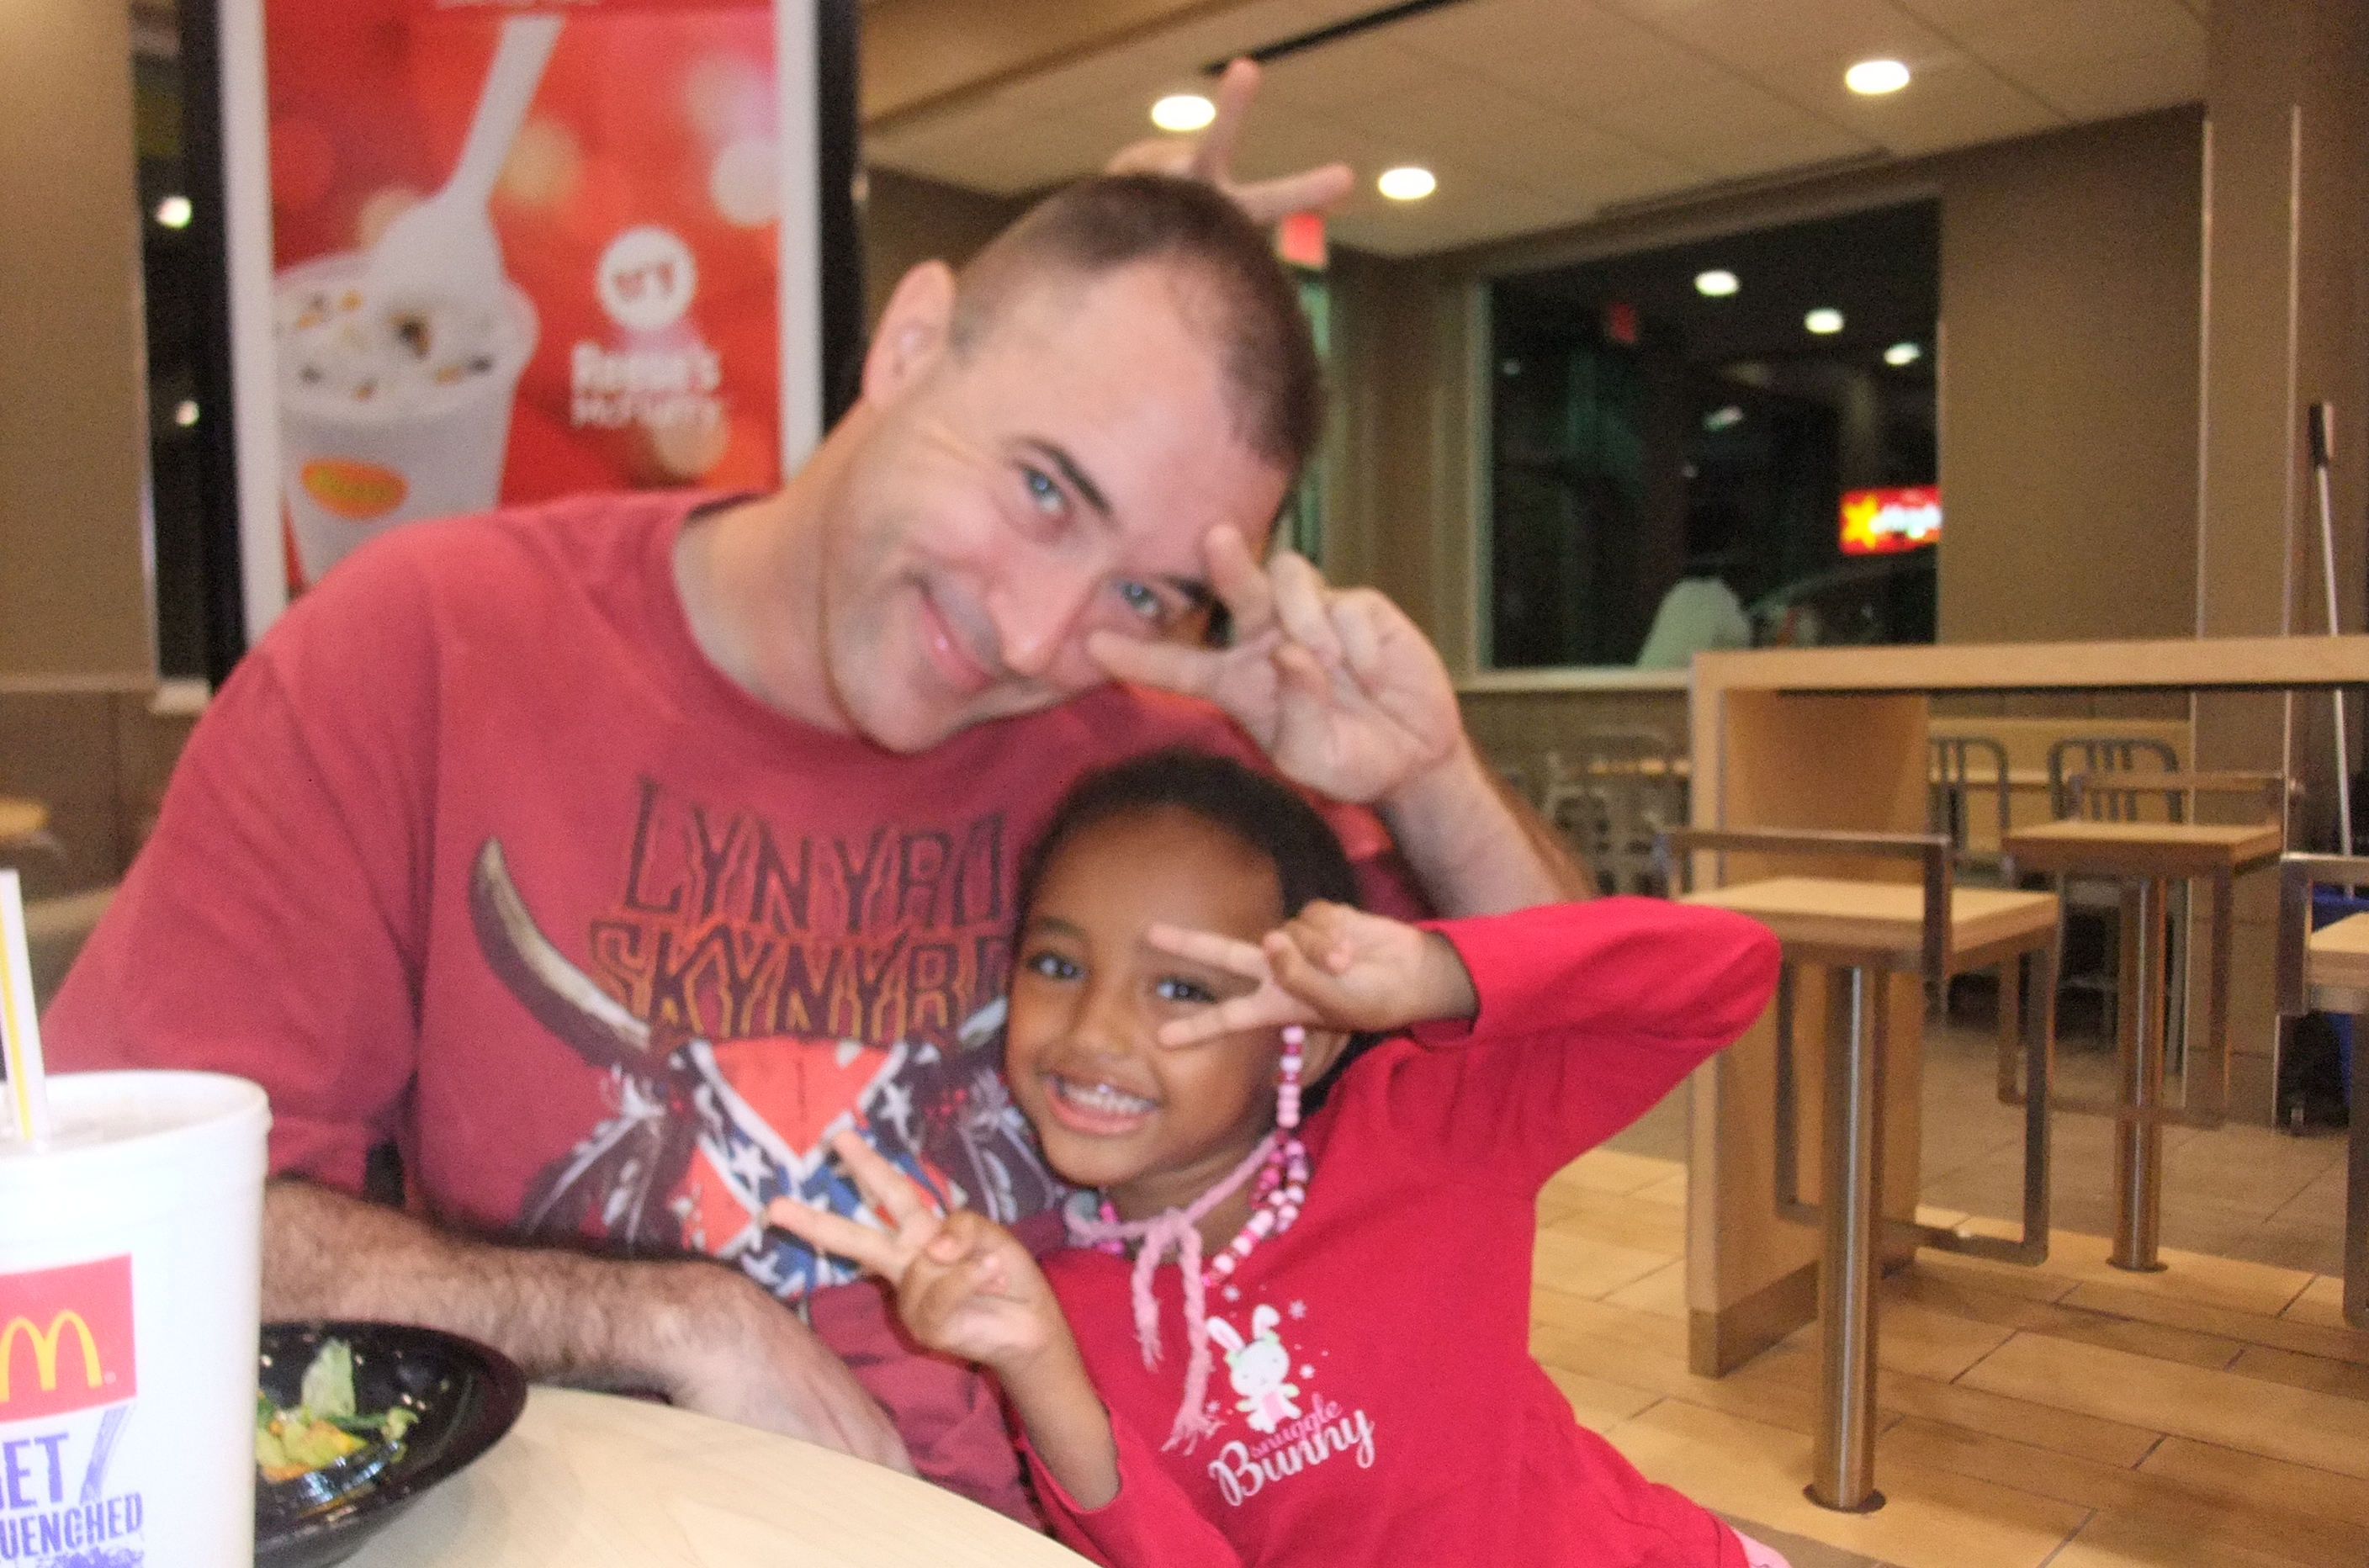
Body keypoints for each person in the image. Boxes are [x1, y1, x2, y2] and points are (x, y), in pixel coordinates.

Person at [43, 64, 1586, 1515]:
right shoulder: (421, 649)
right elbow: (125, 1221)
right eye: (1042, 487)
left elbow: (1573, 1066)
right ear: (909, 344)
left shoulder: (1162, 769)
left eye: (1145, 589)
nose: (1038, 634)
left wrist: (1428, 777)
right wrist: (665, 1319)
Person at [771, 750, 1786, 1565]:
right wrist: (1039, 1369)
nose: (1094, 1029)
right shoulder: (1057, 1306)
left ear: (1309, 1032)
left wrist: (1433, 971)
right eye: (1057, 964)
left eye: (1181, 987)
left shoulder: (1424, 1132)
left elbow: (1726, 971)